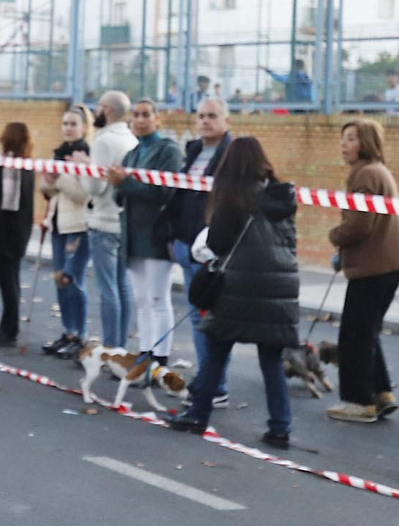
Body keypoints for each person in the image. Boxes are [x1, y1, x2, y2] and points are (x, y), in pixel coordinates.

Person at [169, 137, 298, 448]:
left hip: (238, 285)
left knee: (215, 350)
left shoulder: (233, 198)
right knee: (272, 360)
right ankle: (280, 427)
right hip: (279, 286)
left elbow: (217, 244)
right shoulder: (282, 196)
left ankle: (198, 414)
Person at [326, 119, 399, 423]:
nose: (344, 144)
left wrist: (335, 235)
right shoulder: (377, 171)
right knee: (368, 331)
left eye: (351, 139)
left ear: (365, 143)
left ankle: (358, 402)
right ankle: (381, 392)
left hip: (373, 267)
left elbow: (360, 225)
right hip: (387, 264)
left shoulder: (365, 175)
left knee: (354, 335)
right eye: (343, 139)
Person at [164, 97, 233, 407]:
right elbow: (181, 197)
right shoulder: (193, 150)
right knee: (196, 317)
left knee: (210, 318)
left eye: (212, 116)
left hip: (209, 249)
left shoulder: (230, 155)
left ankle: (215, 384)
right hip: (185, 244)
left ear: (226, 121)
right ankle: (207, 379)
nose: (205, 121)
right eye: (201, 116)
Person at [112, 99, 184, 386]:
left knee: (157, 298)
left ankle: (161, 359)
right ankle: (145, 353)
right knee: (141, 300)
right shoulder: (132, 153)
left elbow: (163, 193)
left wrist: (124, 183)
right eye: (136, 115)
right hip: (132, 236)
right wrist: (119, 184)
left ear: (158, 118)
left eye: (146, 115)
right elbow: (121, 196)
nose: (140, 120)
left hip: (156, 236)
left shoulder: (168, 150)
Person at [82, 90, 139, 356]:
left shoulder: (103, 142)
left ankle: (110, 346)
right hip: (123, 221)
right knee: (122, 285)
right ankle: (121, 347)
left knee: (108, 289)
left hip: (103, 220)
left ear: (107, 109)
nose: (94, 111)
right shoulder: (131, 138)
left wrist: (82, 167)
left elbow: (94, 186)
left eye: (98, 106)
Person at [39, 106, 92, 358]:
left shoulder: (87, 155)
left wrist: (58, 178)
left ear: (83, 127)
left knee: (72, 279)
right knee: (59, 279)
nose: (68, 128)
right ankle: (67, 331)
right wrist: (50, 181)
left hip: (78, 226)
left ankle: (79, 336)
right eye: (65, 123)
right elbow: (45, 188)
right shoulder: (58, 153)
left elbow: (84, 194)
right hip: (58, 224)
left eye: (73, 123)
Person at [0, 122, 36, 347]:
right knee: (13, 281)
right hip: (20, 231)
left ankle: (8, 329)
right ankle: (9, 326)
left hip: (5, 233)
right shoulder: (27, 163)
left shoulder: (8, 164)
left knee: (7, 282)